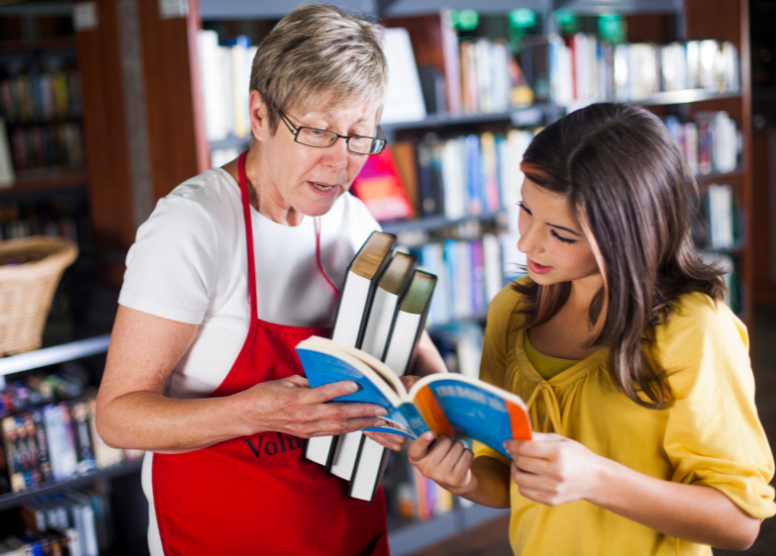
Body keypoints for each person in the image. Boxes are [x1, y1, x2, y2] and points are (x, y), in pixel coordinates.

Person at [95, 5, 445, 555]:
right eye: (319, 132)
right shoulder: (194, 226)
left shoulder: (354, 220)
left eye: (359, 137)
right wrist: (255, 412)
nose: (341, 162)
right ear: (260, 115)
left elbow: (414, 354)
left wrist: (422, 414)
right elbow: (117, 418)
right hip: (221, 533)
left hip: (344, 527)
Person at [406, 102, 776, 555]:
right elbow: (506, 480)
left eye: (561, 234)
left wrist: (597, 479)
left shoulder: (694, 330)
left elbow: (739, 524)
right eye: (525, 210)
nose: (526, 243)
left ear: (625, 234)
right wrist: (462, 476)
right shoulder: (512, 311)